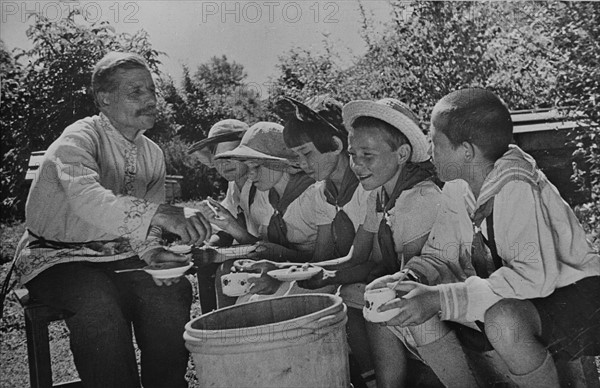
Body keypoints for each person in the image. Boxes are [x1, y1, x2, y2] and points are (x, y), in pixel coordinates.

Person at [373, 88, 600, 388]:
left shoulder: (517, 186)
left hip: (576, 296)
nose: (430, 152)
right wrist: (408, 278)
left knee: (502, 320)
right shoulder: (458, 188)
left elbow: (533, 278)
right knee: (413, 306)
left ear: (466, 151)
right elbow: (439, 254)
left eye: (436, 143)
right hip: (525, 296)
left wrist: (442, 297)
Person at [12, 52, 211, 388]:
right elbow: (87, 200)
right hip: (58, 257)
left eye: (152, 91)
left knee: (171, 291)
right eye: (136, 93)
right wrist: (160, 214)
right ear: (104, 99)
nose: (150, 99)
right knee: (97, 305)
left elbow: (145, 225)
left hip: (118, 256)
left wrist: (152, 253)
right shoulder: (78, 138)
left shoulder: (153, 153)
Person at [340, 98, 478, 388]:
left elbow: (412, 276)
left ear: (402, 154)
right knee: (354, 293)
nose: (357, 165)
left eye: (368, 155)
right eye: (353, 154)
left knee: (382, 301)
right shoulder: (378, 196)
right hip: (424, 286)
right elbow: (358, 256)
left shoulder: (419, 198)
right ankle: (379, 379)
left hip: (446, 291)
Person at [200, 122, 319, 305]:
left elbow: (327, 257)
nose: (251, 174)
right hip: (282, 269)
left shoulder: (311, 194)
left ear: (278, 162)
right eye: (218, 158)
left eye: (255, 167)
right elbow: (266, 247)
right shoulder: (264, 189)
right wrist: (229, 226)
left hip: (306, 275)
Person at [188, 119, 269, 243]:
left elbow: (272, 249)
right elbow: (228, 231)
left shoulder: (266, 186)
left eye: (232, 154)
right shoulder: (234, 184)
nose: (225, 162)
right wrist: (208, 245)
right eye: (218, 156)